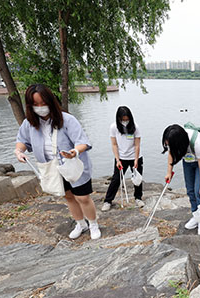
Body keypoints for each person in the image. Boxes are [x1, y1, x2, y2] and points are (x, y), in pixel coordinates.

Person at [15, 84, 100, 240]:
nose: (40, 108)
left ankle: (93, 224)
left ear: (50, 101)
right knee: (67, 196)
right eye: (36, 104)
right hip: (51, 167)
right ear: (30, 105)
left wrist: (74, 152)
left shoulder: (67, 119)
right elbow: (22, 141)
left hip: (72, 165)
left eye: (43, 103)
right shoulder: (29, 123)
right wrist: (19, 151)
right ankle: (81, 224)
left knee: (83, 197)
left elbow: (82, 141)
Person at [162, 124, 200, 235]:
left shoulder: (196, 143)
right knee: (190, 191)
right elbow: (171, 154)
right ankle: (195, 215)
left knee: (198, 192)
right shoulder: (174, 140)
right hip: (188, 161)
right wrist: (168, 172)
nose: (168, 145)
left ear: (179, 143)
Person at [102, 106, 144, 211]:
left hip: (135, 156)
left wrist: (136, 160)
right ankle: (108, 201)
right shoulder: (114, 127)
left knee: (137, 178)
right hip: (121, 157)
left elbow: (137, 145)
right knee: (116, 179)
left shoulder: (135, 127)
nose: (125, 121)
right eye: (123, 120)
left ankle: (138, 198)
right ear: (119, 119)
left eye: (127, 119)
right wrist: (117, 160)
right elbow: (114, 144)